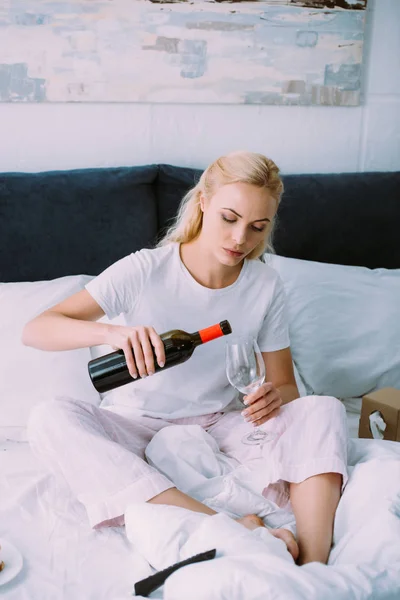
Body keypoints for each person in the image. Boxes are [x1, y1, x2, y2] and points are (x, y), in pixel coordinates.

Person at [22, 151, 348, 566]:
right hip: (135, 424)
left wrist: (274, 397)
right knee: (50, 418)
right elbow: (37, 328)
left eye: (257, 227)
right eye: (229, 219)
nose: (239, 239)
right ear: (203, 203)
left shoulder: (265, 284)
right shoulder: (144, 270)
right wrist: (112, 333)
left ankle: (314, 567)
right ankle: (233, 528)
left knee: (323, 409)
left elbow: (286, 386)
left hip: (221, 427)